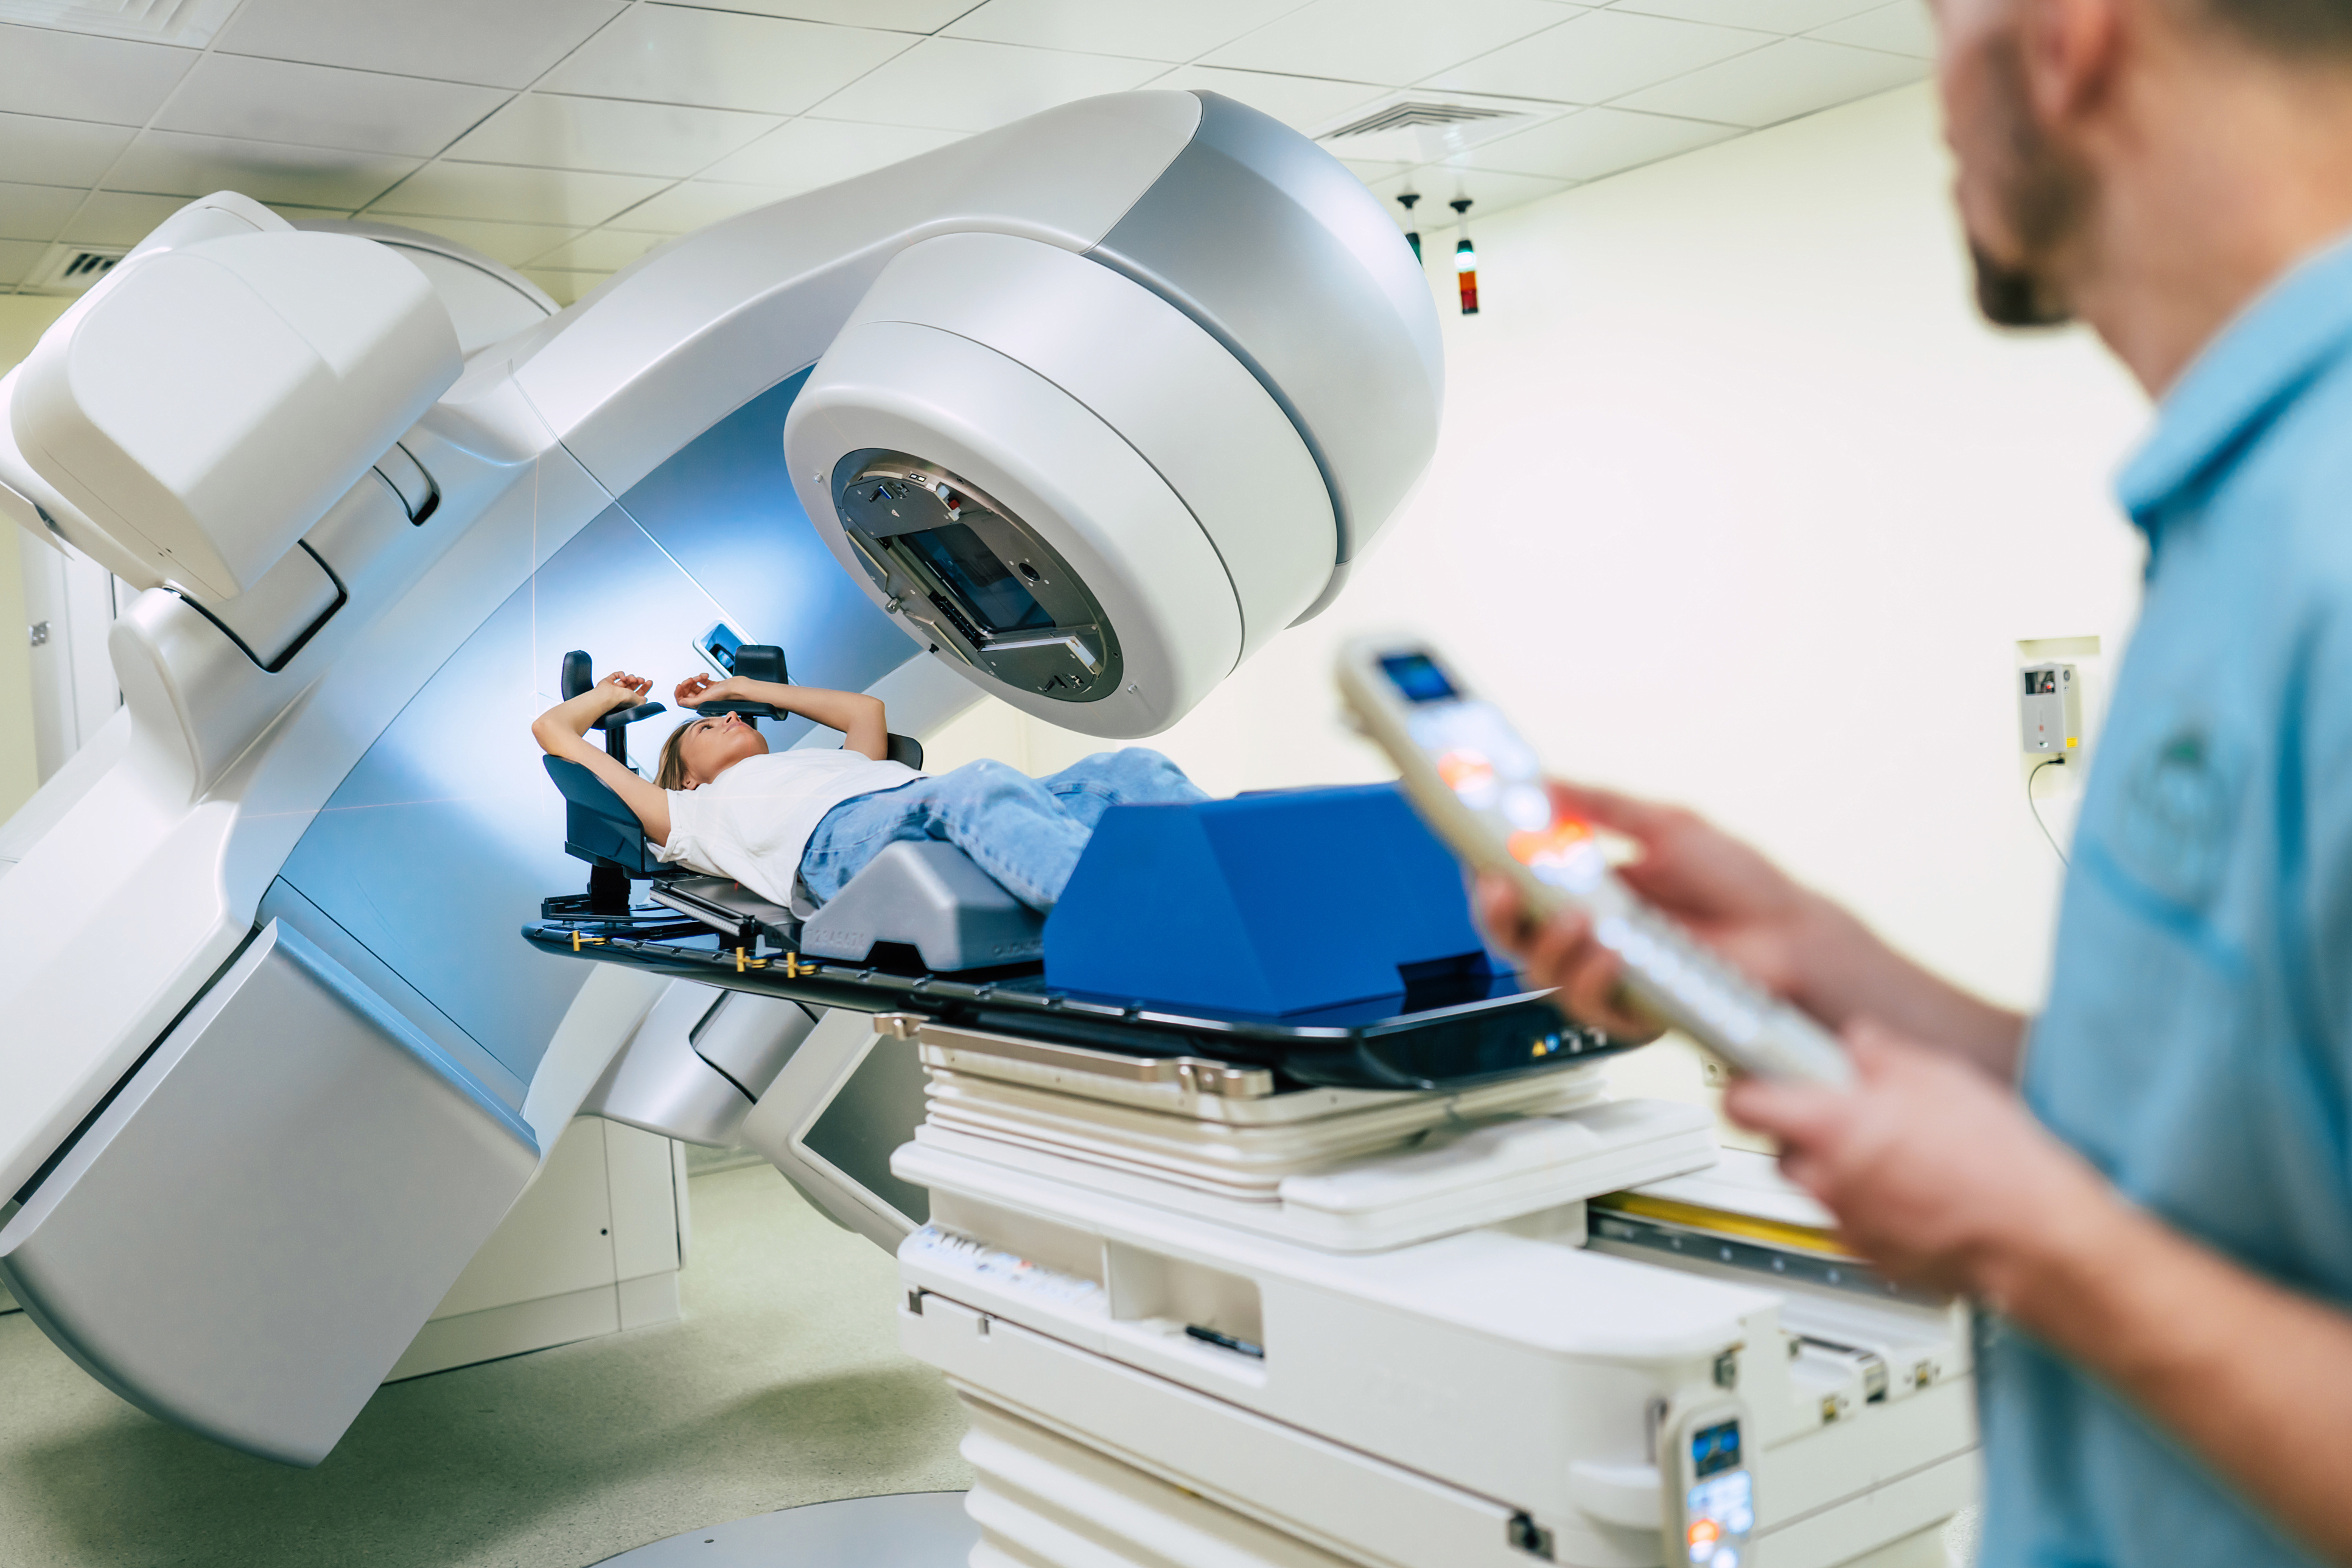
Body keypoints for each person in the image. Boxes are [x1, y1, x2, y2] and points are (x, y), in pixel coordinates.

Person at [1483, 0, 2352, 1561]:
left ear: (2074, 34)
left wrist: (2037, 1245)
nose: (1939, 90)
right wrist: (1835, 971)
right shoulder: (2239, 507)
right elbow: (2246, 1147)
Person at [531, 669, 1203, 914]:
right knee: (979, 784)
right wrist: (605, 696)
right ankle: (1123, 924)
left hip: (926, 802)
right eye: (711, 723)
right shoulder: (685, 811)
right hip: (839, 844)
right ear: (684, 772)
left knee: (1129, 773)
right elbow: (553, 729)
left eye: (733, 714)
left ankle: (1239, 884)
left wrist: (737, 687)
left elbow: (865, 710)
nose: (732, 718)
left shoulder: (830, 760)